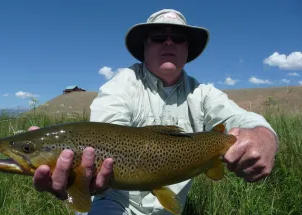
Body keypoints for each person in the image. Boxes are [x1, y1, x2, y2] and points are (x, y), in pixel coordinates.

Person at [30, 9, 278, 215]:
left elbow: (243, 119)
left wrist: (263, 136)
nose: (169, 42)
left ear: (187, 49)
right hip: (114, 203)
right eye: (159, 37)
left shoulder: (204, 93)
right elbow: (104, 134)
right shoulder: (121, 85)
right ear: (145, 47)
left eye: (178, 38)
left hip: (169, 208)